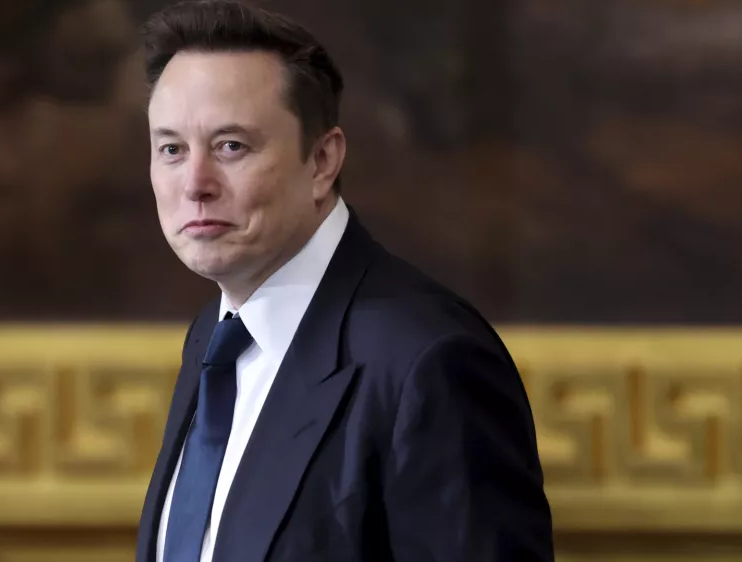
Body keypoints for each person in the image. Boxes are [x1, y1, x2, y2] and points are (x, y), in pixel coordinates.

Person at [135, 1, 554, 561]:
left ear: (323, 161)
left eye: (231, 146)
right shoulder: (213, 338)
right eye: (171, 149)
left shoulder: (430, 361)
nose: (195, 184)